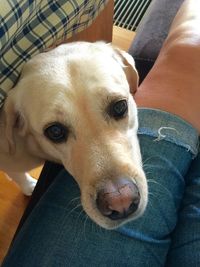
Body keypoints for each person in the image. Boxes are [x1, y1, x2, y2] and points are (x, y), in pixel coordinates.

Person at [2, 0, 200, 266]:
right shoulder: (12, 127)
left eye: (118, 108)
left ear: (131, 78)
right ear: (15, 123)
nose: (118, 197)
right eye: (57, 131)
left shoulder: (120, 67)